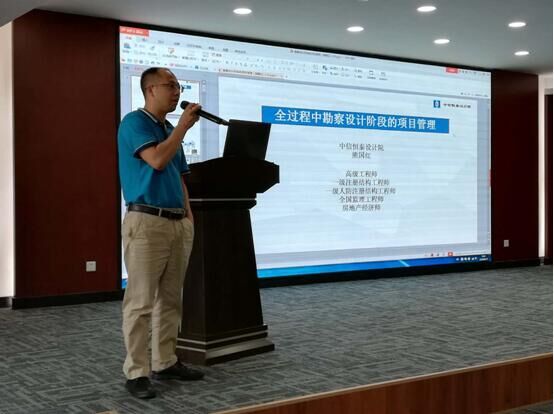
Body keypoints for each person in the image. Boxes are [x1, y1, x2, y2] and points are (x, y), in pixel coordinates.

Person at [118, 67, 204, 399]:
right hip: (146, 221)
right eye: (171, 86)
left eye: (179, 86)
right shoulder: (134, 123)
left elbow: (178, 176)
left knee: (170, 299)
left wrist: (188, 216)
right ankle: (136, 372)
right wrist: (182, 128)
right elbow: (156, 160)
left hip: (176, 222)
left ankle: (165, 361)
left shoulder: (169, 129)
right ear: (150, 89)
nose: (177, 92)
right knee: (140, 301)